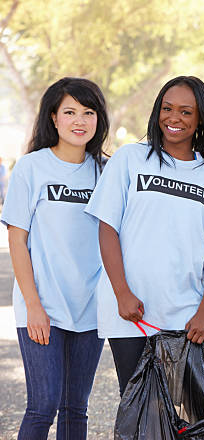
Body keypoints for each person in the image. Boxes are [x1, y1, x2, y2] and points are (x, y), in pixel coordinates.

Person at [85, 76, 204, 395]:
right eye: (167, 108)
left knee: (193, 417)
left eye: (185, 111)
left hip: (186, 315)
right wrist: (122, 293)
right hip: (130, 313)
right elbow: (107, 228)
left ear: (200, 120)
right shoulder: (130, 159)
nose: (174, 118)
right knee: (143, 413)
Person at [2, 77, 109, 439]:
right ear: (53, 117)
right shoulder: (31, 168)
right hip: (42, 304)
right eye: (70, 112)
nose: (80, 120)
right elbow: (17, 240)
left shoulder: (106, 172)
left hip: (91, 308)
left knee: (75, 410)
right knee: (43, 405)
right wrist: (33, 305)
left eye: (89, 112)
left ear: (99, 120)